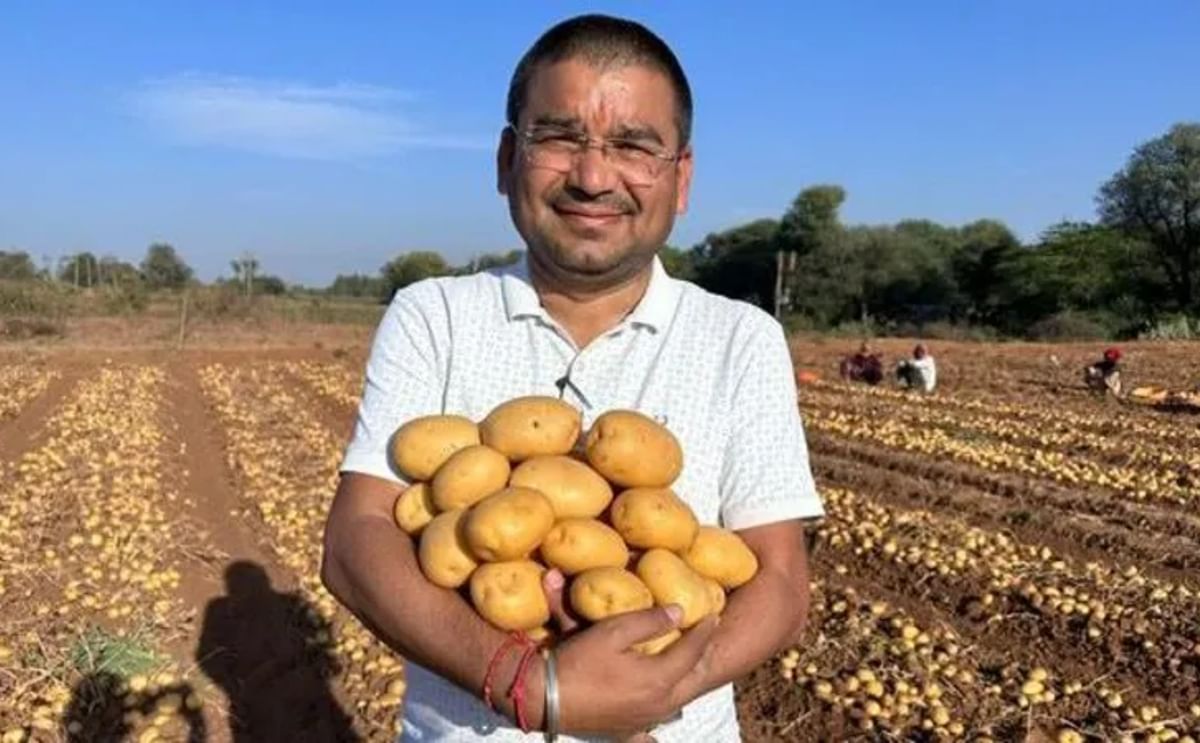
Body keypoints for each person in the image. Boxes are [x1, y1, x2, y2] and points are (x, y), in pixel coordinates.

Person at [320, 14, 823, 743]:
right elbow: (356, 541)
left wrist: (642, 690)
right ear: (505, 159)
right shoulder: (433, 314)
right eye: (559, 138)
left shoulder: (741, 338)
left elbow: (779, 583)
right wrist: (531, 685)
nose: (593, 177)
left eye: (633, 146)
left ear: (679, 179)